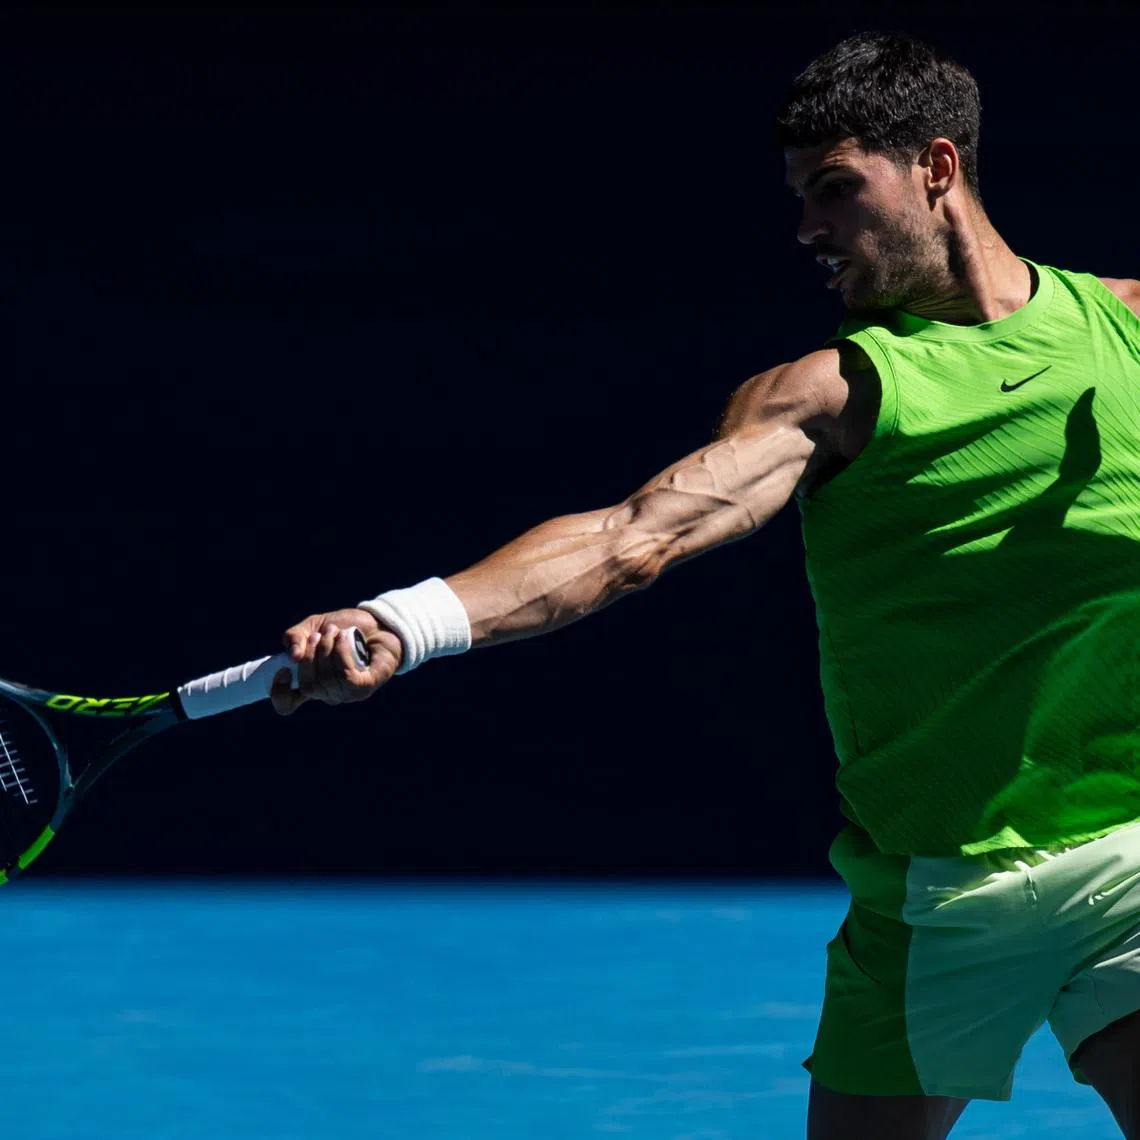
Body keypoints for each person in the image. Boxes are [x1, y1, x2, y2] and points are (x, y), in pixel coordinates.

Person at [269, 30, 1140, 1140]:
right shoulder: (832, 394)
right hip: (941, 896)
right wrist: (407, 622)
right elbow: (631, 537)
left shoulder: (1125, 327)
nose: (808, 232)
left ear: (936, 166)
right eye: (801, 199)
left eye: (834, 190)